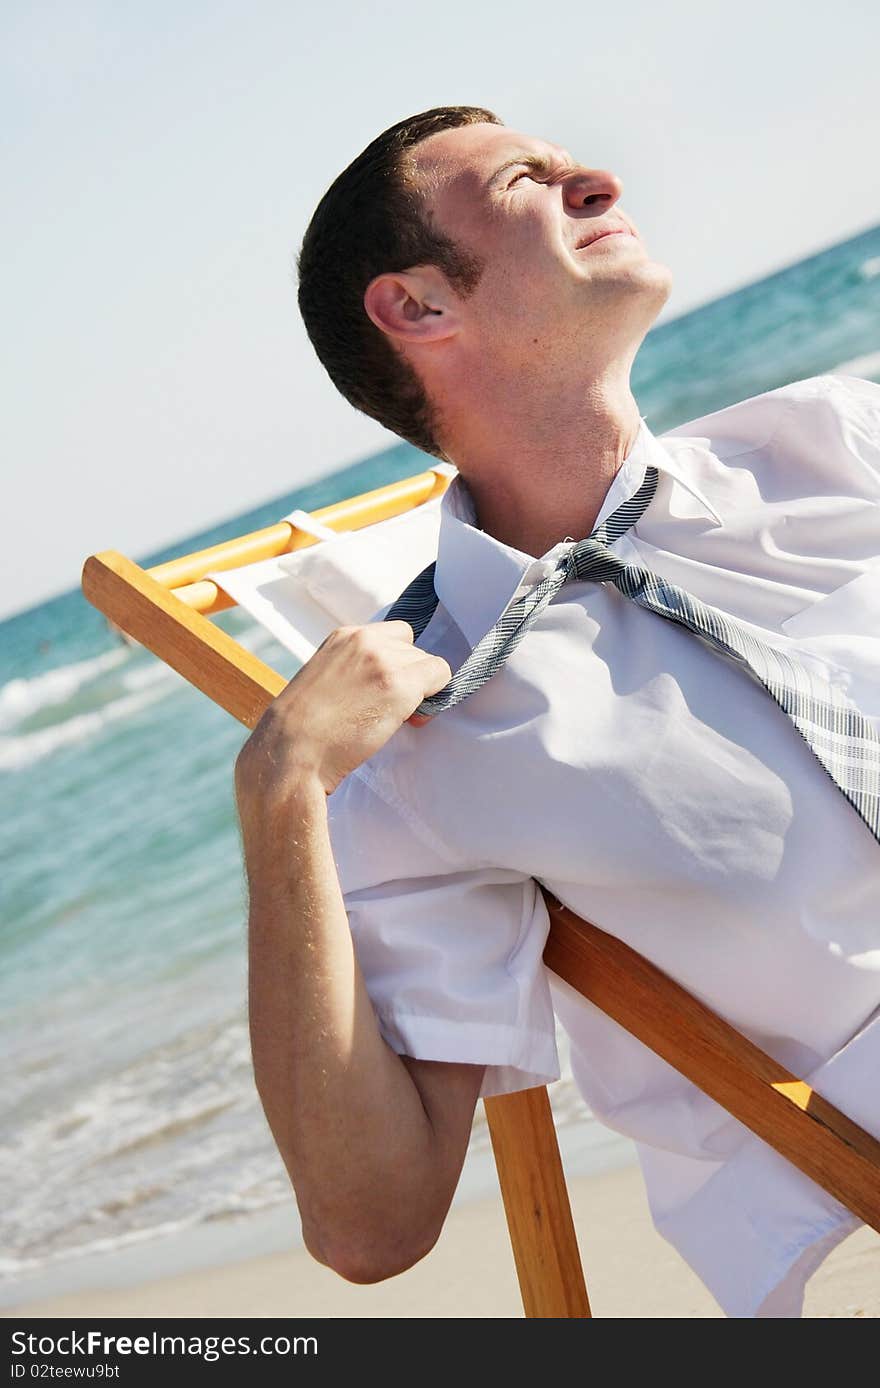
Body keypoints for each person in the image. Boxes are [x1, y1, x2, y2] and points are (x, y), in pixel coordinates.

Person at [233, 106, 880, 1317]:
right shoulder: (427, 744)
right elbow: (370, 1224)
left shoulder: (840, 444)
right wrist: (279, 797)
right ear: (420, 308)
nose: (599, 177)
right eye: (531, 178)